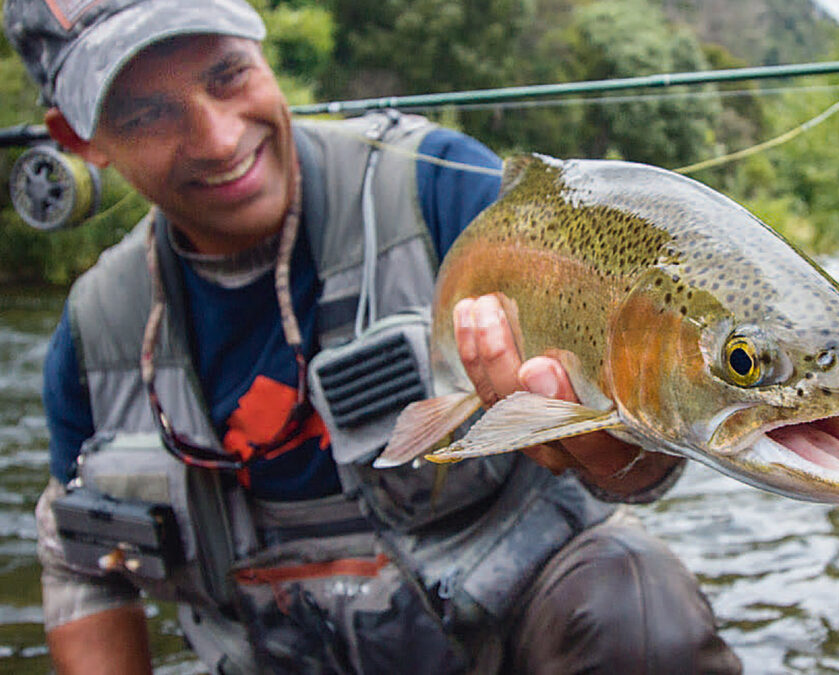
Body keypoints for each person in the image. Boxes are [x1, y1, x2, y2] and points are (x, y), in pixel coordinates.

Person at [4, 0, 742, 672]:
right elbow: (80, 569)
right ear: (81, 140)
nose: (218, 137)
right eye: (146, 116)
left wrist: (619, 457)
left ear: (261, 44)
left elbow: (645, 440)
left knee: (637, 602)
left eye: (228, 76)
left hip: (501, 644)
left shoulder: (440, 191)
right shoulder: (94, 333)